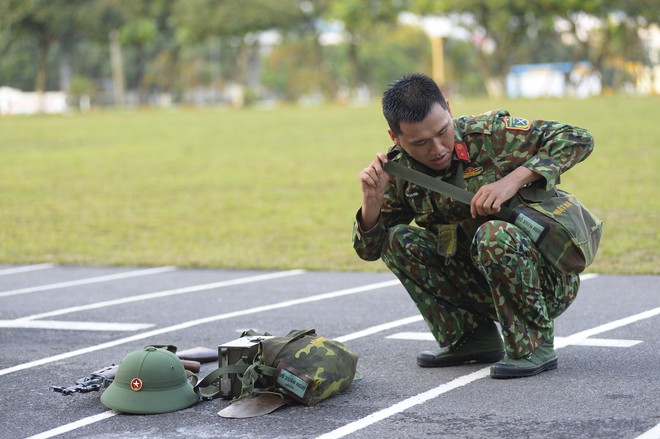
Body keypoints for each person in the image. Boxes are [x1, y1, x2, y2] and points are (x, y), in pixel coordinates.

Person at [352, 73, 594, 378]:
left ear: (449, 109)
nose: (438, 148)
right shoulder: (399, 171)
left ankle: (532, 345)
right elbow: (372, 250)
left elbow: (578, 138)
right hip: (480, 283)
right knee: (398, 239)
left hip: (546, 282)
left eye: (443, 131)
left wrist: (512, 181)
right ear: (395, 138)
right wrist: (371, 203)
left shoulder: (490, 135)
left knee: (493, 234)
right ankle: (470, 338)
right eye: (420, 142)